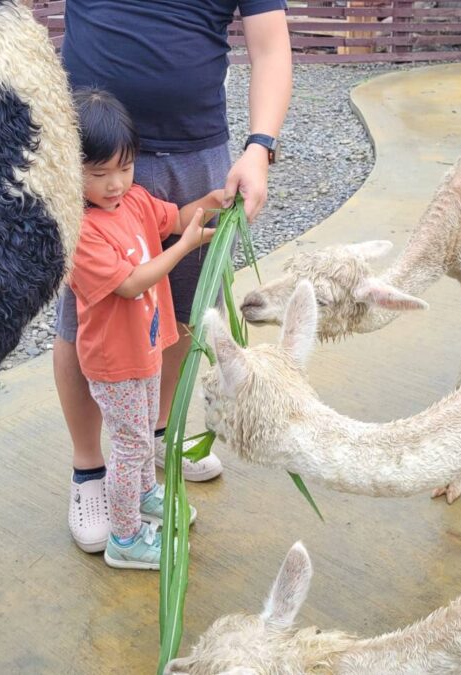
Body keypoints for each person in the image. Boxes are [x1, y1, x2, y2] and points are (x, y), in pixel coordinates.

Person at [56, 1, 291, 552]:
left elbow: (270, 44)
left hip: (195, 147)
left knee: (181, 308)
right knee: (83, 319)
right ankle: (90, 471)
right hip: (90, 147)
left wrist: (260, 148)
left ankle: (157, 438)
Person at [67, 89, 223, 567]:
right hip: (114, 362)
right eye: (98, 174)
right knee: (131, 443)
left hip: (147, 346)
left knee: (140, 433)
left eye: (125, 167)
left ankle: (143, 496)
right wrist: (184, 246)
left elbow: (174, 218)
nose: (115, 184)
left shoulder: (133, 201)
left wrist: (212, 202)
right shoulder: (80, 230)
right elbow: (132, 284)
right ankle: (125, 539)